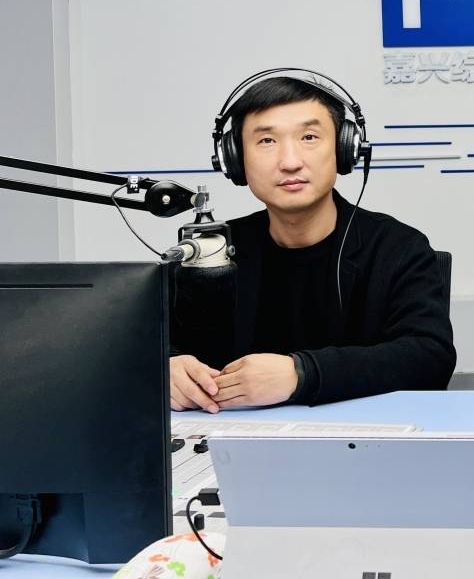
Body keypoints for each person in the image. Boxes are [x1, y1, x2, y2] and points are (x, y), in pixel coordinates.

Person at [169, 72, 455, 411]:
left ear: (344, 149)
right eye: (267, 141)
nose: (290, 162)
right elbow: (157, 345)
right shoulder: (211, 252)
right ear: (235, 158)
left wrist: (302, 374)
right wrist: (167, 367)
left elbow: (430, 358)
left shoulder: (397, 247)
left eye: (309, 137)